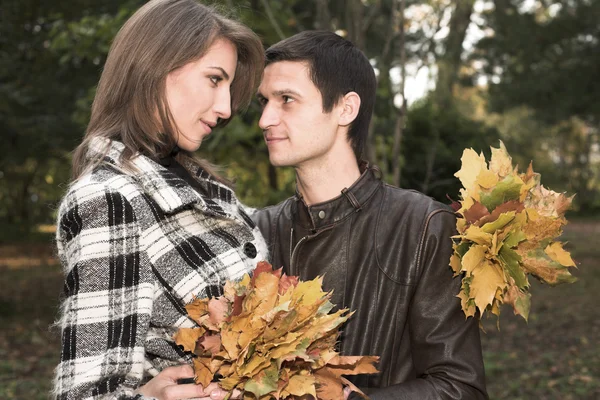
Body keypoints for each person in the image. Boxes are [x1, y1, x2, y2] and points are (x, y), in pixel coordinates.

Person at [252, 31, 489, 399]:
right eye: (264, 102)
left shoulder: (423, 226)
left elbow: (460, 387)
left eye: (286, 100)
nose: (266, 118)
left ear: (346, 108)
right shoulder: (256, 232)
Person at [52, 1, 267, 399]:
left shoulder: (196, 182)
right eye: (215, 79)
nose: (224, 109)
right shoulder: (110, 200)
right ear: (158, 65)